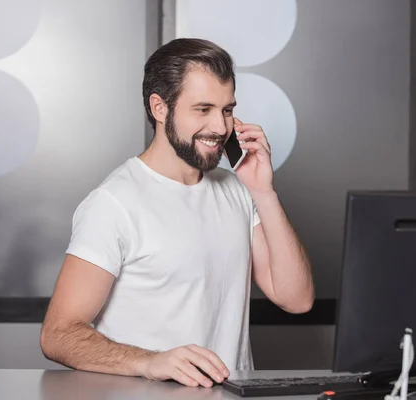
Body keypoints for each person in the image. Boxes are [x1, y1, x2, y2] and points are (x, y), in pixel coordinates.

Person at [40, 38, 314, 389]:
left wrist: (263, 191)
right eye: (203, 109)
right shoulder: (113, 202)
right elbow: (58, 333)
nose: (219, 127)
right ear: (159, 108)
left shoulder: (237, 191)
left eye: (227, 109)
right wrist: (149, 361)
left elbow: (297, 299)